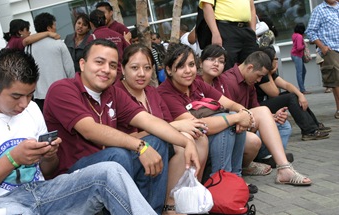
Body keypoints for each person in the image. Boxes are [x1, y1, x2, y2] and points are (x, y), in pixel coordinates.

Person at [0, 48, 157, 215]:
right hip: (2, 203)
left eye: (30, 95)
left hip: (43, 190)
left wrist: (48, 156)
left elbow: (48, 170)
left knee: (110, 171)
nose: (24, 104)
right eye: (16, 96)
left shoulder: (31, 109)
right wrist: (13, 159)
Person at [43, 39, 200, 214]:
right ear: (82, 63)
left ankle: (151, 210)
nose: (106, 70)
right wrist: (140, 147)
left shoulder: (112, 93)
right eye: (99, 62)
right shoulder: (62, 89)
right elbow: (90, 130)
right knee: (118, 156)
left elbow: (149, 121)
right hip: (74, 176)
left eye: (112, 65)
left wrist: (187, 143)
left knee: (157, 142)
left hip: (111, 161)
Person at [115, 44, 209, 213]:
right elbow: (123, 137)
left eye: (147, 68)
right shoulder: (118, 94)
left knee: (194, 137)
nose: (142, 74)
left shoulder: (151, 92)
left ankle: (190, 195)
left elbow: (166, 122)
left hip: (160, 143)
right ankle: (169, 205)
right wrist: (175, 127)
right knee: (182, 143)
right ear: (122, 68)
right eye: (135, 68)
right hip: (133, 150)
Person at [157, 43, 249, 179]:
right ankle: (221, 181)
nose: (188, 71)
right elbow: (195, 125)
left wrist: (244, 112)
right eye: (181, 66)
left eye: (191, 65)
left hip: (202, 136)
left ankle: (235, 180)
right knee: (228, 124)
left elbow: (229, 103)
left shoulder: (196, 83)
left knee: (235, 120)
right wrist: (235, 118)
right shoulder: (165, 92)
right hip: (183, 141)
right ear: (169, 70)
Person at [219, 50, 311, 185]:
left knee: (284, 125)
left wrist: (273, 117)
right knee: (255, 137)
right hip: (233, 130)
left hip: (246, 126)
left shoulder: (249, 82)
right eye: (259, 76)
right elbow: (233, 116)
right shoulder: (228, 80)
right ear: (250, 67)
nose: (259, 80)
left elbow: (254, 109)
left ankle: (277, 162)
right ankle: (276, 165)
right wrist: (259, 116)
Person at [198, 44, 272, 176]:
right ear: (200, 62)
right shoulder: (196, 83)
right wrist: (238, 117)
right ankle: (224, 179)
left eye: (221, 61)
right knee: (231, 124)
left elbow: (231, 105)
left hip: (224, 124)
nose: (216, 64)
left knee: (279, 124)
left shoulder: (220, 81)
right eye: (211, 59)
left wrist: (243, 114)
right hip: (205, 129)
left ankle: (237, 176)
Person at [258, 46, 330, 141]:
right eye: (275, 59)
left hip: (266, 103)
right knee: (290, 98)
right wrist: (270, 74)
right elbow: (274, 93)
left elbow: (287, 85)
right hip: (259, 106)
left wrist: (301, 95)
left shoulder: (269, 73)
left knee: (294, 94)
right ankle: (309, 131)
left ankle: (315, 125)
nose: (277, 61)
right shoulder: (262, 75)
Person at [28, 12, 75, 112]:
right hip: (62, 92)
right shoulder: (59, 44)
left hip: (39, 96)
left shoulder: (28, 47)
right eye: (54, 25)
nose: (55, 28)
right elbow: (70, 69)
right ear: (49, 28)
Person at [198, 0, 259, 71]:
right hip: (225, 28)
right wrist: (215, 33)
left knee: (252, 66)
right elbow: (207, 6)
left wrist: (253, 32)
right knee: (227, 68)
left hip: (246, 29)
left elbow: (251, 8)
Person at [305, 0, 339, 119]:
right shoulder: (319, 10)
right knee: (336, 80)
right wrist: (323, 47)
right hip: (331, 49)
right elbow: (310, 31)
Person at [87, 9, 129, 81]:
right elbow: (129, 52)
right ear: (105, 20)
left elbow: (88, 59)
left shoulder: (93, 38)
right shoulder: (118, 35)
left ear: (90, 24)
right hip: (121, 75)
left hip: (104, 76)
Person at [291, 23, 310, 94]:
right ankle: (302, 89)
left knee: (303, 71)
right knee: (300, 72)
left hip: (295, 54)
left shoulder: (294, 35)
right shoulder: (299, 36)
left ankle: (302, 87)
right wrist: (304, 46)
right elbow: (299, 47)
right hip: (297, 55)